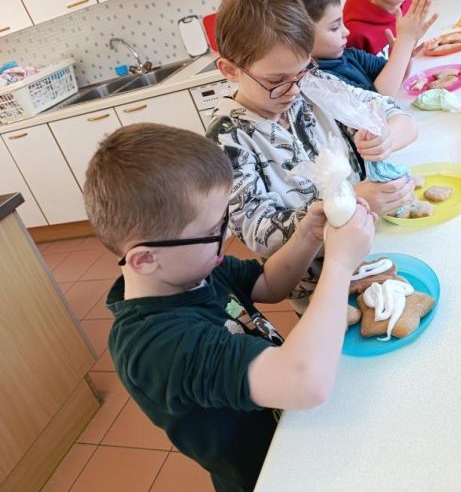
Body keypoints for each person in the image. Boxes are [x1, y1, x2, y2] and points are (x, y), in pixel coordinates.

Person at [83, 122, 375, 492]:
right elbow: (305, 382)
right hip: (269, 473)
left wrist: (307, 235)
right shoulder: (155, 345)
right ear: (145, 259)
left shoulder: (195, 269)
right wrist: (339, 264)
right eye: (213, 230)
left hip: (294, 424)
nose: (227, 235)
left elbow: (269, 284)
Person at [207, 0, 417, 313]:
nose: (294, 90)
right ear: (230, 70)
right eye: (277, 80)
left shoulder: (314, 85)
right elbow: (259, 232)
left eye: (302, 70)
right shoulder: (227, 140)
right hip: (318, 289)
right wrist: (348, 202)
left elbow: (396, 114)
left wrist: (386, 136)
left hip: (377, 249)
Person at [290, 0, 433, 95]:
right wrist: (404, 42)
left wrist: (404, 55)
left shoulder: (351, 55)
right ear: (301, 38)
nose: (346, 32)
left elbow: (394, 78)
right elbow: (377, 100)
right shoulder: (318, 80)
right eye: (335, 27)